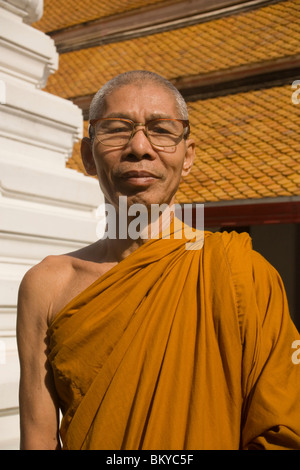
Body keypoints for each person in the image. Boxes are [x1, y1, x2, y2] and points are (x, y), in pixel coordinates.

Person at [17, 70, 300, 450]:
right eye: (116, 129)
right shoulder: (47, 285)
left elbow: (283, 431)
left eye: (161, 130)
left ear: (188, 157)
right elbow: (38, 439)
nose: (139, 146)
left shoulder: (242, 272)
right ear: (87, 155)